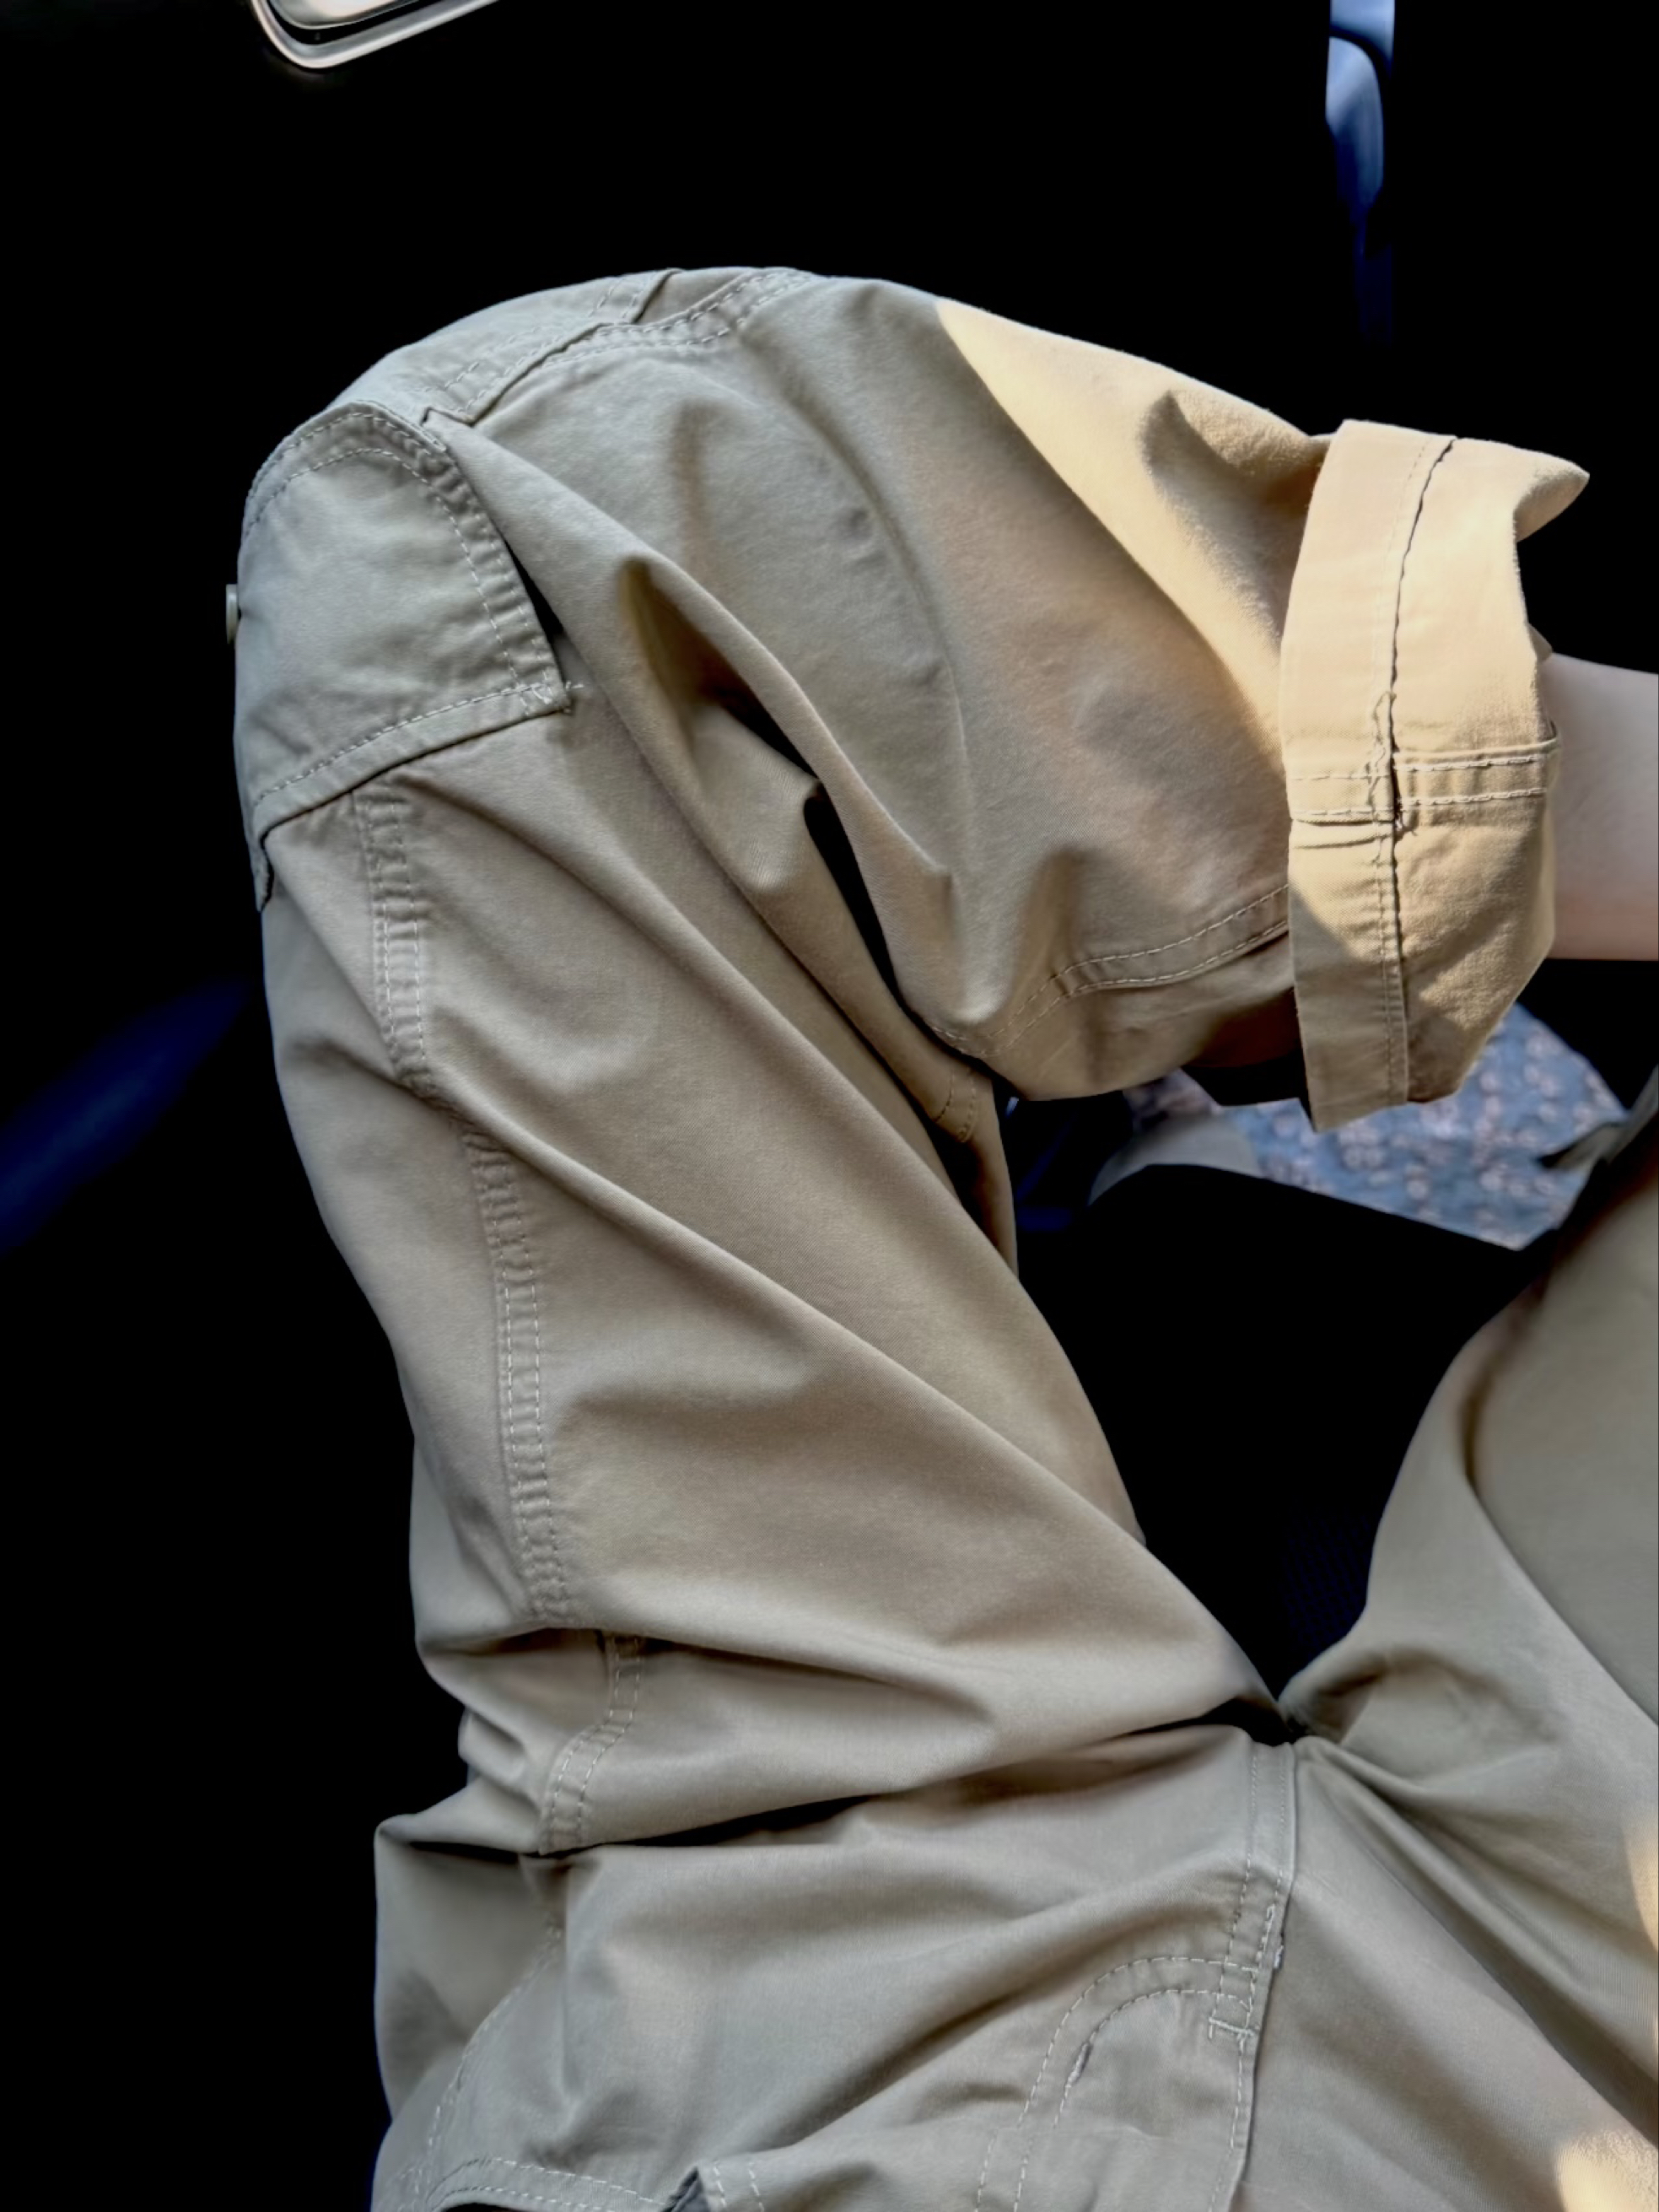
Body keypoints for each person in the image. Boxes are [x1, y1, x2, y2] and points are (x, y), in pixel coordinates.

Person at [230, 266, 1657, 2211]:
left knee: (476, 524)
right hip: (1059, 2029)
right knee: (477, 519)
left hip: (851, 2036)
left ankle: (1230, 1068)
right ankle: (1267, 1012)